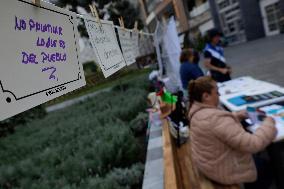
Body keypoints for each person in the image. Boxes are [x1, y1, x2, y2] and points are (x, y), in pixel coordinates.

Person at [188, 76, 277, 188]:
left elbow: (217, 126)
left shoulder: (197, 112)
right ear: (206, 96)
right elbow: (253, 144)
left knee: (260, 160)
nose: (219, 95)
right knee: (268, 167)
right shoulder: (216, 119)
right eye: (216, 92)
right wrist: (269, 122)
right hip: (226, 172)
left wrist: (235, 115)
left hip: (210, 165)